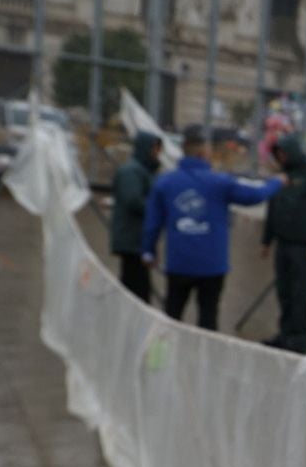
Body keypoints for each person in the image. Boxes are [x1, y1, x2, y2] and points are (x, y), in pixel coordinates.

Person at [141, 124, 284, 331]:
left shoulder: (165, 183)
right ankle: (203, 361)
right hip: (212, 266)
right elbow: (255, 196)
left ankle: (162, 359)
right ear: (202, 153)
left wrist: (148, 251)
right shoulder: (220, 182)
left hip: (179, 264)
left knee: (171, 316)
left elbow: (152, 224)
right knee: (208, 318)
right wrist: (277, 182)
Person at [260, 133, 306, 354]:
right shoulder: (282, 178)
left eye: (283, 153)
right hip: (283, 246)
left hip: (304, 248)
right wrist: (266, 240)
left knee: (301, 296)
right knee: (285, 294)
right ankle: (285, 335)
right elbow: (273, 211)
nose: (280, 157)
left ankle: (299, 340)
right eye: (277, 154)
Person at [109, 131, 162, 303]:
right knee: (137, 291)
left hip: (137, 240)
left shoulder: (144, 171)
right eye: (155, 149)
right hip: (131, 241)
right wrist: (160, 210)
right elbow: (133, 201)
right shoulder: (131, 171)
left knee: (134, 288)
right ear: (146, 149)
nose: (157, 153)